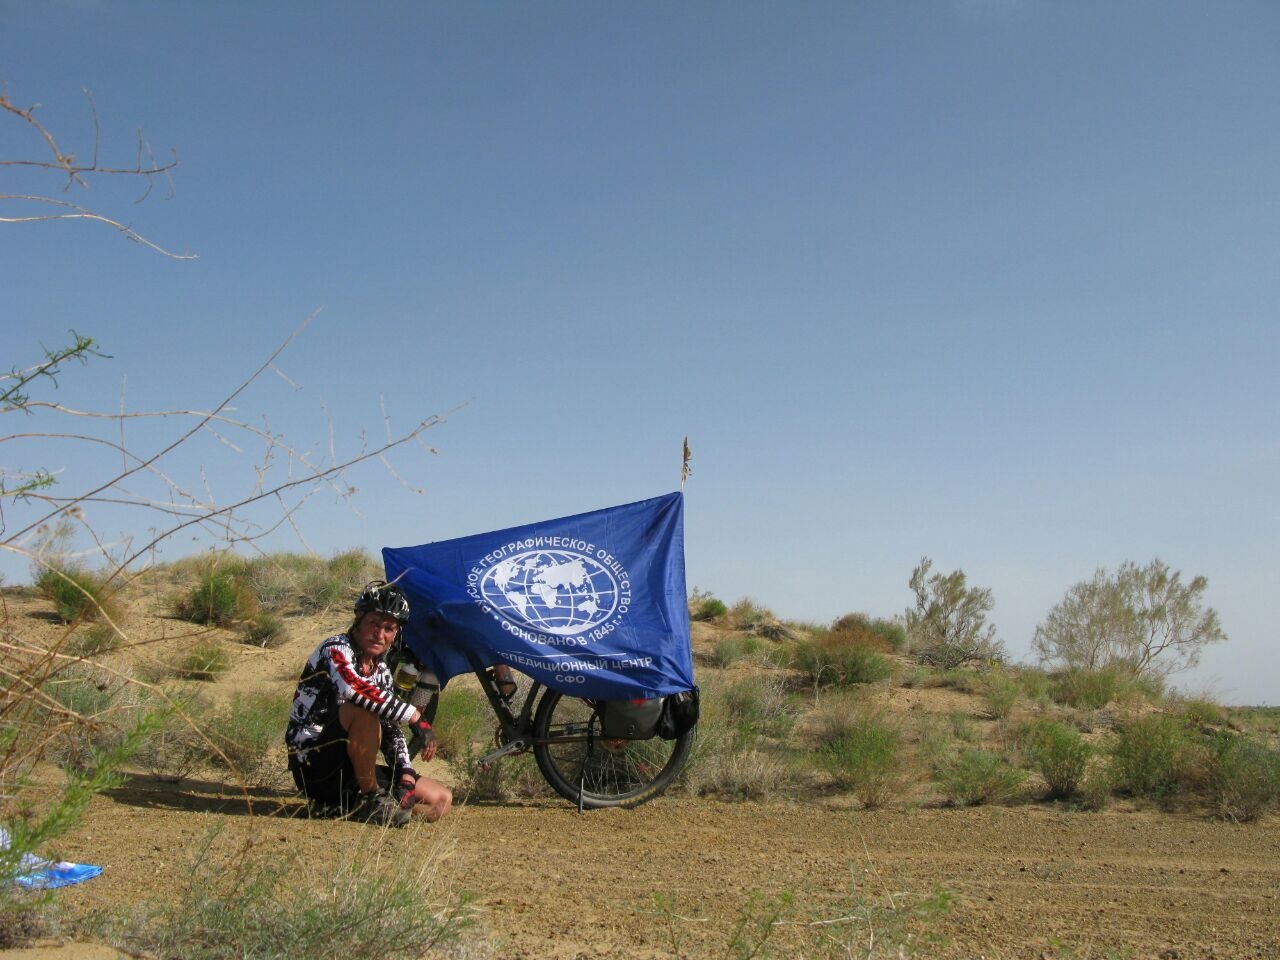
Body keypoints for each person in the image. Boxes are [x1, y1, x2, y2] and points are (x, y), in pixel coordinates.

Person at [286, 580, 452, 826]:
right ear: (358, 620)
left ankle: (352, 807)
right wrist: (415, 717)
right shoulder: (335, 649)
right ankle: (372, 800)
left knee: (440, 800)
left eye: (389, 628)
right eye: (374, 624)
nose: (380, 634)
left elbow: (390, 727)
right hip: (313, 765)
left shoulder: (381, 670)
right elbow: (353, 689)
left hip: (351, 769)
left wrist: (404, 770)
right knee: (362, 710)